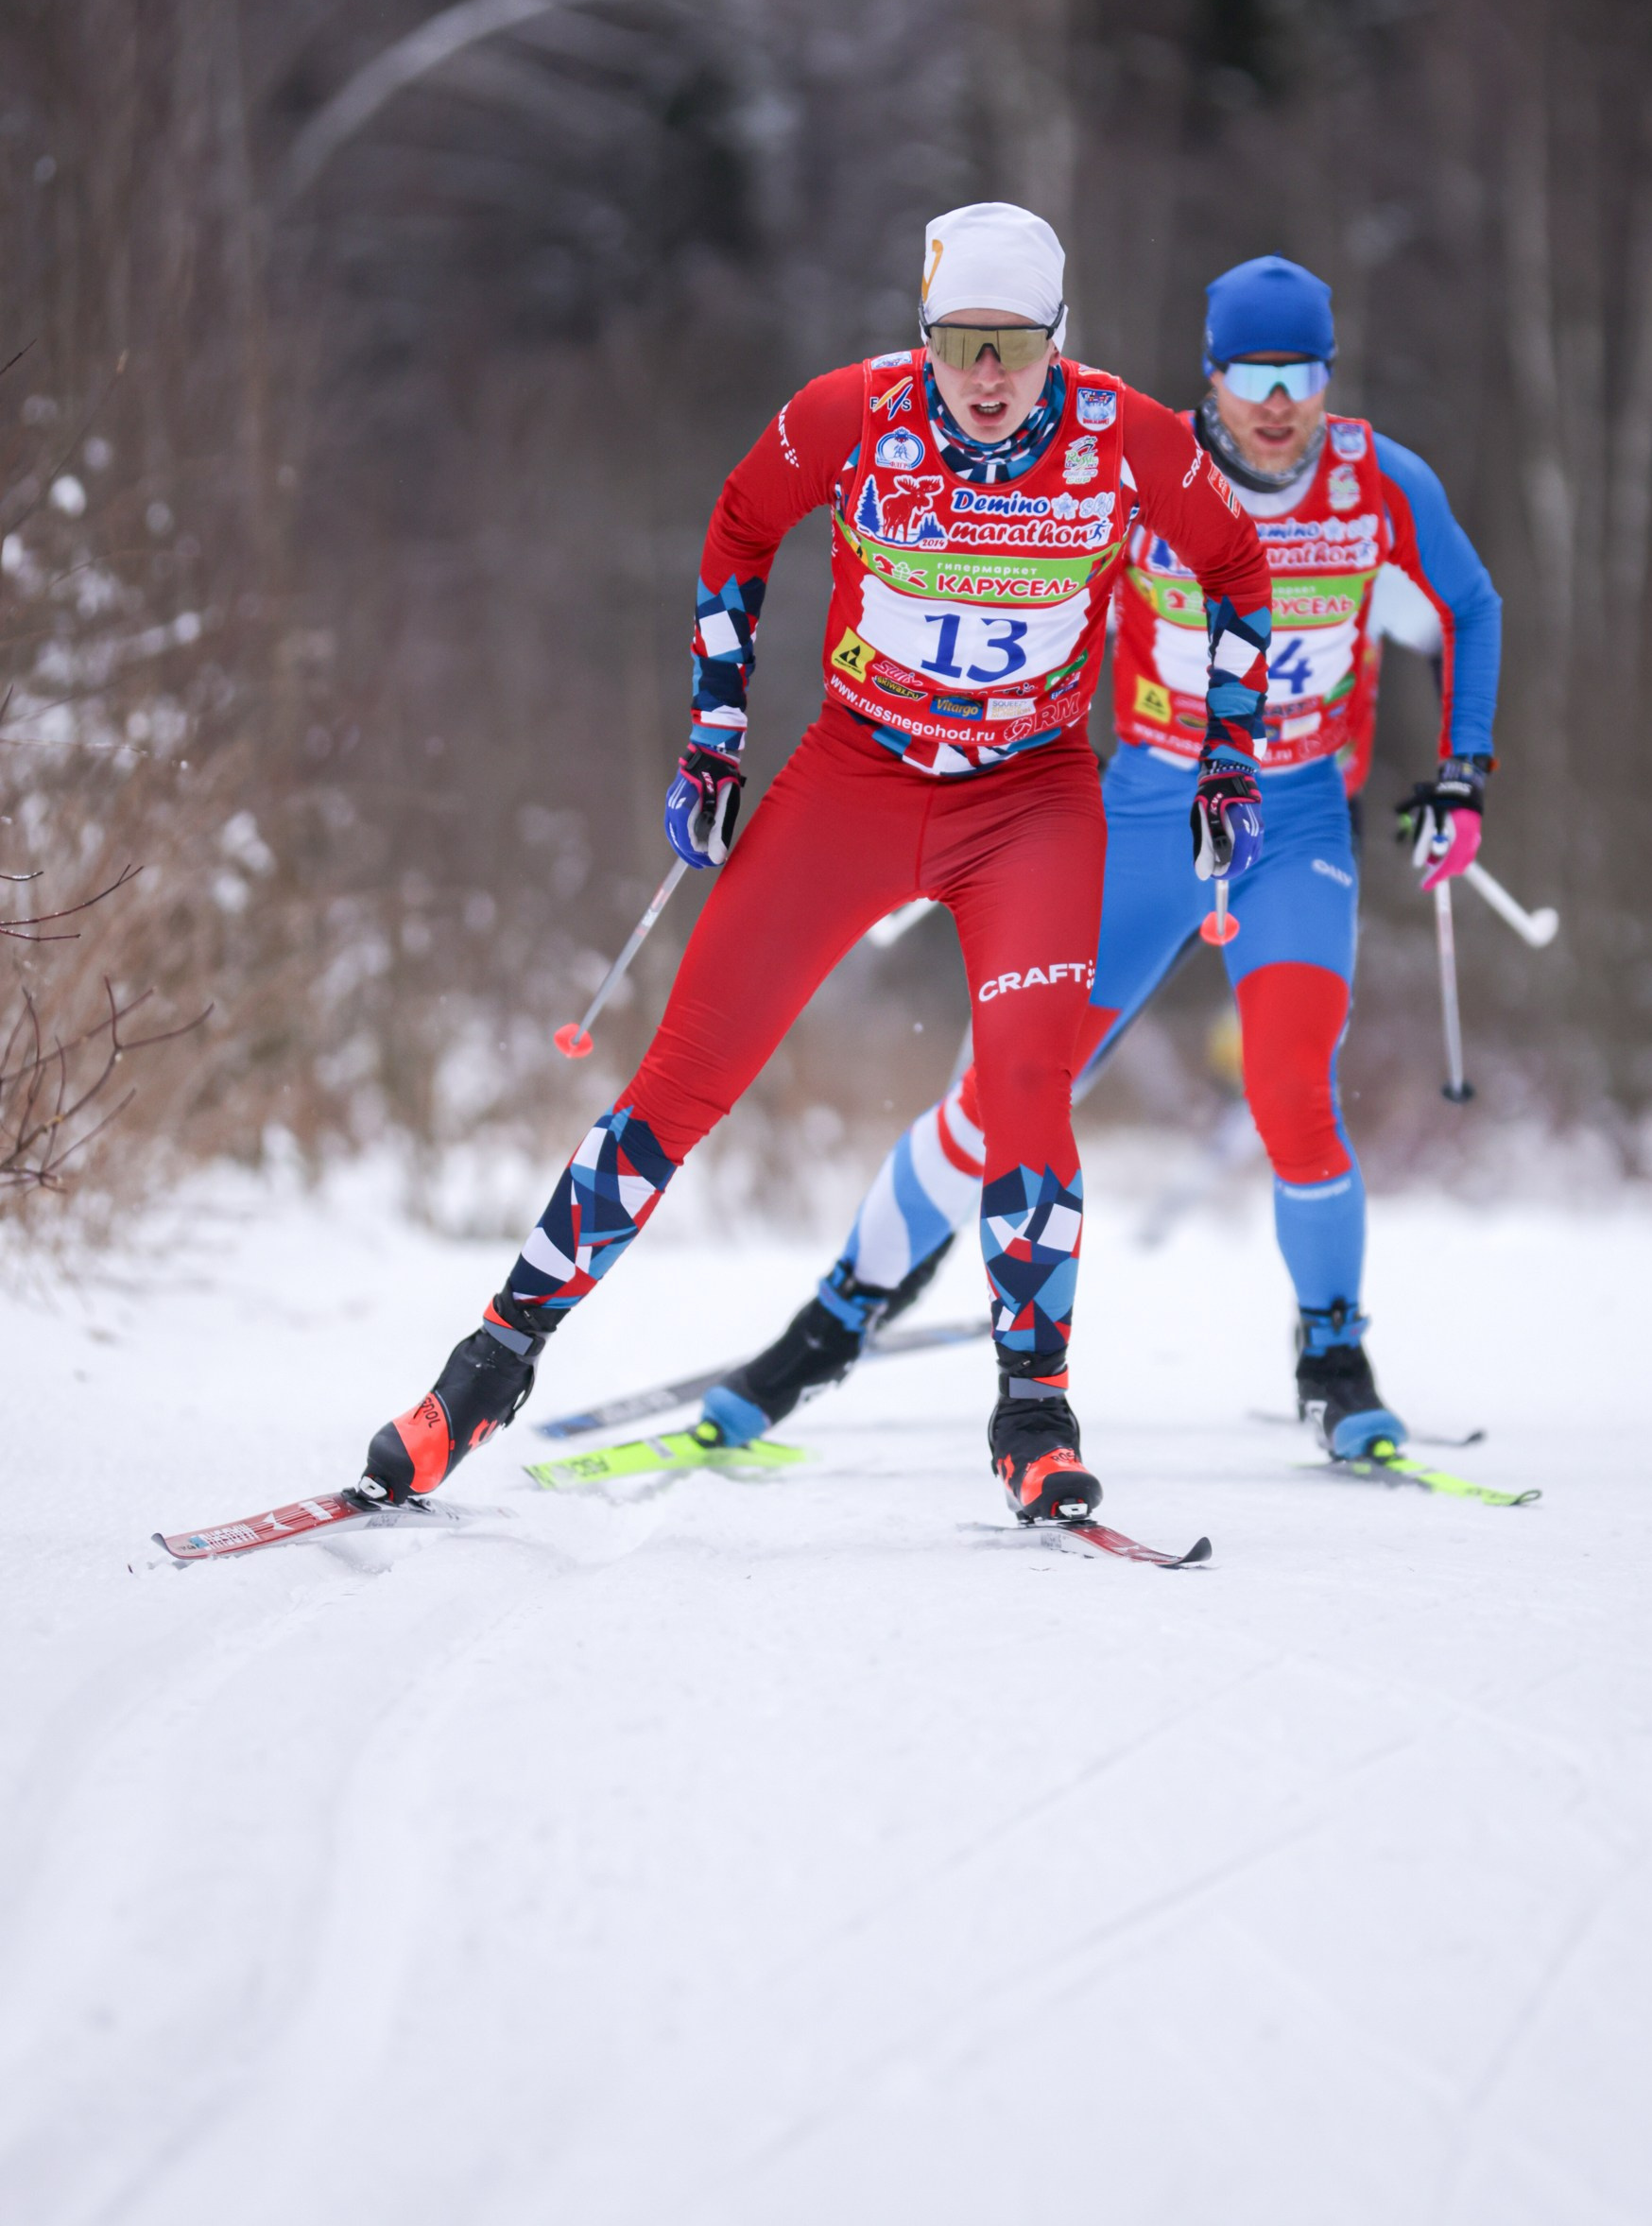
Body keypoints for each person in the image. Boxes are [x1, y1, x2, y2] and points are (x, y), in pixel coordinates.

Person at [356, 203, 1273, 1523]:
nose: (989, 377)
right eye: (962, 344)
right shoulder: (853, 415)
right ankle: (484, 1373)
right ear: (923, 338)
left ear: (1059, 341)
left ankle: (1034, 1412)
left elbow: (1237, 570)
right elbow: (740, 526)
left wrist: (1226, 759)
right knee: (681, 1080)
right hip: (857, 780)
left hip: (1030, 802)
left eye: (1015, 345)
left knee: (1027, 1088)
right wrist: (713, 742)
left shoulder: (1125, 441)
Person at [690, 252, 1501, 1462]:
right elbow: (1017, 579)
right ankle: (835, 1321)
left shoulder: (1380, 483)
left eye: (1303, 374)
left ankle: (1334, 1355)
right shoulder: (1132, 459)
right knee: (1005, 1091)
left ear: (1330, 378)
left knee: (1291, 1091)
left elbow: (1470, 606)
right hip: (1144, 814)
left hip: (1293, 824)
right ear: (1211, 376)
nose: (1277, 403)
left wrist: (1462, 777)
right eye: (1251, 374)